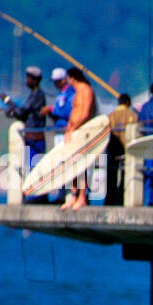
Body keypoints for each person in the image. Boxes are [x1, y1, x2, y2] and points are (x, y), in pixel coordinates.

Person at [3, 65, 49, 183]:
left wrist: (9, 104)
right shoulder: (33, 95)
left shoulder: (38, 95)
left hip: (36, 139)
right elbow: (23, 114)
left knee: (36, 168)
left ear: (35, 80)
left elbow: (23, 111)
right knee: (30, 167)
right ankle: (33, 195)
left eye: (29, 78)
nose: (26, 81)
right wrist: (12, 109)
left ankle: (38, 197)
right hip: (30, 138)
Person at [60, 68, 97, 210]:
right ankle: (73, 195)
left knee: (82, 165)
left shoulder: (86, 90)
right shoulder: (77, 93)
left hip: (83, 132)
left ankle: (82, 196)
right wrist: (69, 128)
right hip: (74, 132)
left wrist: (74, 127)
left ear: (73, 78)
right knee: (72, 165)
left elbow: (86, 113)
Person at [105, 92, 140, 205]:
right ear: (128, 103)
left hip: (112, 150)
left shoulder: (110, 116)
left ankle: (110, 199)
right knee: (126, 175)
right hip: (127, 150)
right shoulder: (132, 116)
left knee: (111, 175)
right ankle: (122, 198)